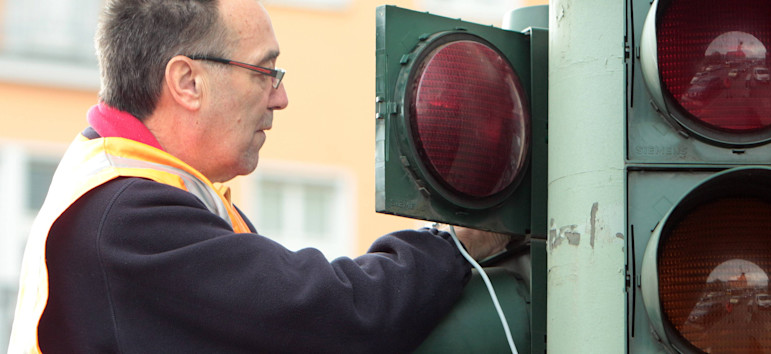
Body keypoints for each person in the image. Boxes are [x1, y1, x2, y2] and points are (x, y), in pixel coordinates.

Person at [7, 0, 509, 352]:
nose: (279, 97)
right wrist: (456, 246)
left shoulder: (120, 186)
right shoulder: (126, 216)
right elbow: (324, 316)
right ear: (188, 81)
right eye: (264, 72)